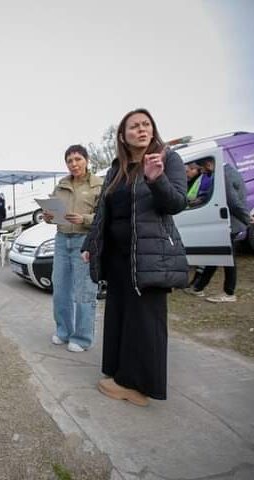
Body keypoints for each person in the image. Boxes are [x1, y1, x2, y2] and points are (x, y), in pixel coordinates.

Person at [82, 108, 189, 406]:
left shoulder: (168, 160)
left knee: (145, 320)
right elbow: (104, 212)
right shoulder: (117, 168)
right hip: (117, 256)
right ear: (123, 135)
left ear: (153, 130)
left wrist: (157, 180)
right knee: (120, 315)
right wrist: (91, 243)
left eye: (146, 125)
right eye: (134, 126)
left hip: (149, 254)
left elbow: (178, 203)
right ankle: (120, 375)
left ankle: (139, 386)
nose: (141, 130)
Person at [44, 145, 103, 353]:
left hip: (84, 242)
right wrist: (48, 216)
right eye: (69, 160)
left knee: (84, 292)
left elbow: (106, 217)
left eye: (78, 159)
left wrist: (84, 219)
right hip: (61, 240)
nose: (74, 163)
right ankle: (63, 331)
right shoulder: (61, 185)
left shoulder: (98, 185)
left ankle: (83, 337)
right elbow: (50, 212)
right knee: (60, 289)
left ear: (87, 160)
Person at [187, 160, 252, 302]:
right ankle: (198, 288)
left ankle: (229, 293)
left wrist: (247, 220)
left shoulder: (225, 176)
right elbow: (215, 193)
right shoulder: (226, 172)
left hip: (229, 223)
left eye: (203, 169)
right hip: (227, 222)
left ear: (209, 164)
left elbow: (233, 202)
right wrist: (200, 200)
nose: (203, 172)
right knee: (216, 255)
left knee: (228, 259)